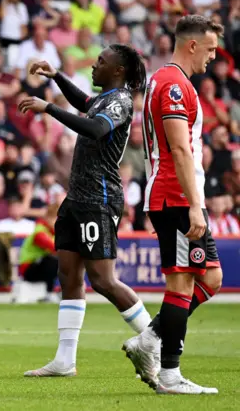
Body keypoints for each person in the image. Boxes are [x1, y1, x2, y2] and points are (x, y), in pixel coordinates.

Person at [18, 45, 153, 378]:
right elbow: (84, 104)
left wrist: (48, 107)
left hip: (99, 200)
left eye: (102, 62)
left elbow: (94, 129)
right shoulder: (104, 99)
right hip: (76, 199)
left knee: (103, 280)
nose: (94, 66)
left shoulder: (121, 101)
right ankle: (65, 360)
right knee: (68, 276)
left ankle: (157, 341)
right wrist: (56, 77)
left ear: (119, 71)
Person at [123, 15, 224, 395]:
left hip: (173, 194)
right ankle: (169, 374)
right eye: (210, 49)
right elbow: (180, 148)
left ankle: (149, 339)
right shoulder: (174, 86)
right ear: (192, 44)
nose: (213, 57)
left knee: (210, 278)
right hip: (177, 195)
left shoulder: (166, 81)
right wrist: (195, 205)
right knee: (181, 282)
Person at [18, 201, 59, 303]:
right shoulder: (40, 231)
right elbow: (53, 247)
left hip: (40, 266)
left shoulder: (55, 233)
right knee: (54, 261)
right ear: (49, 218)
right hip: (28, 268)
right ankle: (49, 293)